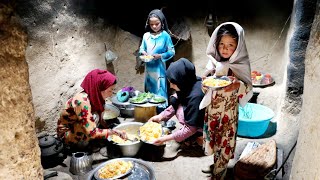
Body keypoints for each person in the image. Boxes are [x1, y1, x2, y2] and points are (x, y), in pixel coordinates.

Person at [200, 22, 253, 179]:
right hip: (213, 110)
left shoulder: (241, 64)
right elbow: (205, 88)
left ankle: (219, 173)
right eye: (221, 44)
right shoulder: (213, 62)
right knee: (214, 139)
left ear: (238, 46)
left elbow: (249, 88)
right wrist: (204, 83)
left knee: (225, 142)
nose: (224, 48)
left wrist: (238, 85)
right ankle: (216, 164)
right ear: (215, 44)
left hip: (228, 114)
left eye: (230, 45)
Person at [57, 69, 127, 149]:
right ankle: (79, 148)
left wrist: (109, 129)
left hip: (79, 127)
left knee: (95, 118)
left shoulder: (96, 98)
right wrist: (113, 132)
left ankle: (91, 141)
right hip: (68, 133)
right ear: (99, 87)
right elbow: (92, 133)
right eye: (109, 90)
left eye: (112, 90)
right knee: (92, 120)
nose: (111, 94)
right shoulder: (81, 101)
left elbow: (100, 120)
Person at [148, 58, 205, 146]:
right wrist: (160, 116)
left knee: (184, 117)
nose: (171, 86)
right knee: (174, 99)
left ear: (182, 80)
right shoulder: (189, 82)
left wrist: (165, 138)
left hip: (202, 123)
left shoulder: (196, 97)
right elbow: (177, 102)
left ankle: (199, 135)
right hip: (193, 113)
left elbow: (191, 128)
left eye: (173, 83)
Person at [139, 9, 175, 109]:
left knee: (160, 90)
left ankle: (161, 113)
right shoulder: (146, 36)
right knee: (149, 91)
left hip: (160, 69)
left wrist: (160, 56)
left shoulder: (165, 36)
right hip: (149, 70)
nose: (154, 26)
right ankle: (150, 112)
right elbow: (142, 48)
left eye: (157, 23)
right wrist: (143, 52)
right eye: (151, 24)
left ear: (162, 22)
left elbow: (172, 51)